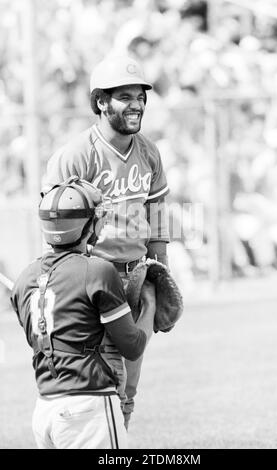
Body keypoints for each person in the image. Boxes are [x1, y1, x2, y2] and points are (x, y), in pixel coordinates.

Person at [42, 54, 170, 427]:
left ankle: (118, 443)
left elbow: (158, 214)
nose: (137, 104)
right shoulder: (76, 155)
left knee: (129, 385)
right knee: (103, 384)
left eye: (140, 96)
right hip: (95, 278)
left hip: (139, 275)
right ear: (101, 101)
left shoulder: (148, 151)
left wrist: (161, 273)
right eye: (125, 96)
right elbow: (55, 226)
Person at [10, 177, 156, 449]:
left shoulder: (25, 278)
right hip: (88, 407)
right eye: (96, 217)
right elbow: (133, 347)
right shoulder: (97, 270)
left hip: (45, 409)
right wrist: (150, 305)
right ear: (86, 226)